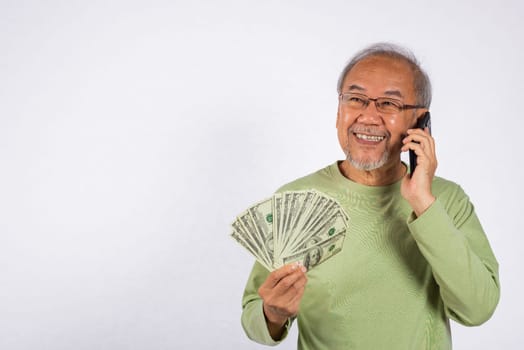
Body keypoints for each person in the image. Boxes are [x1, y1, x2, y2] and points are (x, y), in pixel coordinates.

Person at [239, 43, 500, 349]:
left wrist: (423, 204)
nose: (368, 116)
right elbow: (252, 317)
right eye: (356, 99)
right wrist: (272, 313)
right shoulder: (296, 199)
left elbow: (477, 309)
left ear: (420, 121)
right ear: (339, 111)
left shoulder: (447, 199)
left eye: (389, 104)